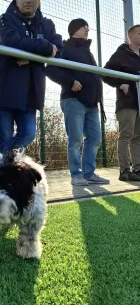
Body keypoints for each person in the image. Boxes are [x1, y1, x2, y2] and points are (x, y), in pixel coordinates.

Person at [0, 0, 63, 153]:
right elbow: (12, 42)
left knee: (28, 134)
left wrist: (30, 56)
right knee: (5, 139)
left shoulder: (47, 24)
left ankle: (3, 163)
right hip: (4, 90)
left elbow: (59, 51)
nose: (27, 0)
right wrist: (43, 49)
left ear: (39, 0)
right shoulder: (6, 19)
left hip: (31, 92)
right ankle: (4, 175)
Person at [46, 18, 109, 186]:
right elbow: (50, 69)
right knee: (75, 139)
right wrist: (70, 82)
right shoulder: (64, 48)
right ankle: (76, 174)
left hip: (92, 102)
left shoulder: (88, 51)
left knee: (95, 138)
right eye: (84, 27)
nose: (88, 30)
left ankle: (89, 173)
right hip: (74, 100)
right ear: (74, 29)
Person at [102, 24, 140, 182]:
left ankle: (138, 169)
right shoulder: (121, 54)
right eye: (139, 33)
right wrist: (120, 83)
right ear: (130, 37)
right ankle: (124, 170)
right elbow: (105, 72)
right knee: (126, 135)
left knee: (138, 137)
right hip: (127, 102)